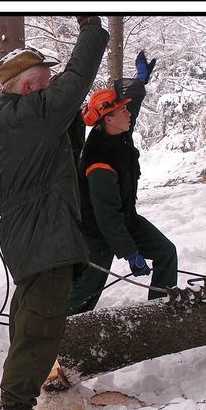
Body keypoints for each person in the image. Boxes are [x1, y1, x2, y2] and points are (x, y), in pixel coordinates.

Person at [0, 16, 109, 410]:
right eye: (47, 84)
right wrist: (93, 27)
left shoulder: (18, 123)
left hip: (36, 233)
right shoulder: (23, 119)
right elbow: (73, 86)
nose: (54, 89)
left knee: (29, 323)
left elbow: (71, 115)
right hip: (42, 236)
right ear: (30, 89)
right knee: (39, 328)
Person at [68, 51, 178, 315]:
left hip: (126, 219)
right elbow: (107, 217)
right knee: (86, 294)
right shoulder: (99, 162)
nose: (130, 114)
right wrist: (130, 253)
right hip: (98, 234)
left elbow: (132, 106)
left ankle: (159, 315)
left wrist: (140, 81)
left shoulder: (118, 129)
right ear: (108, 119)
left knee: (166, 253)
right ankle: (52, 331)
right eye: (123, 111)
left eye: (127, 109)